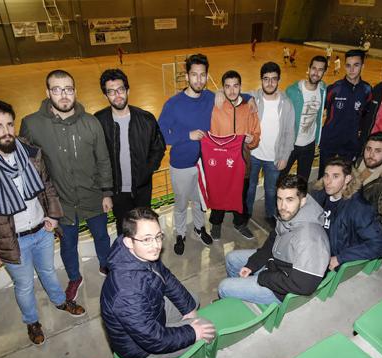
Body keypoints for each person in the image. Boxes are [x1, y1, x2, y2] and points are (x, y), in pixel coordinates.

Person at [0, 99, 86, 345]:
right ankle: (32, 321)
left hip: (41, 230)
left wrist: (52, 215)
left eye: (9, 124)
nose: (6, 132)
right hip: (11, 241)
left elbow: (46, 186)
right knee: (24, 286)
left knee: (48, 271)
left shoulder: (28, 151)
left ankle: (60, 301)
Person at [20, 69, 113, 299]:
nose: (63, 95)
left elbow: (103, 160)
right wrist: (42, 205)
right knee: (68, 244)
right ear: (47, 92)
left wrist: (107, 192)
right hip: (60, 202)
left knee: (102, 236)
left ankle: (106, 265)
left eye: (68, 90)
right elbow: (27, 168)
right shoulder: (31, 124)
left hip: (92, 196)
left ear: (75, 91)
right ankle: (74, 277)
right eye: (57, 90)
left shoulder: (91, 123)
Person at [100, 207, 216, 358]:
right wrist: (192, 333)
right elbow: (153, 339)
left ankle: (176, 325)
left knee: (192, 301)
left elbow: (166, 278)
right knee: (206, 328)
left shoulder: (139, 254)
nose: (156, 245)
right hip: (143, 351)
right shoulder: (125, 292)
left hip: (152, 314)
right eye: (147, 239)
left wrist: (188, 309)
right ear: (129, 241)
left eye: (158, 236)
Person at [218, 174, 330, 305]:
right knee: (232, 258)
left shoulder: (310, 238)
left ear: (303, 201)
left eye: (289, 200)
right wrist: (252, 265)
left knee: (224, 287)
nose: (282, 206)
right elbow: (273, 241)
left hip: (282, 290)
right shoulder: (290, 214)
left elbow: (304, 285)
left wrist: (264, 278)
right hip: (276, 265)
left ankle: (235, 296)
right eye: (279, 199)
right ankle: (239, 297)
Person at [94, 69, 166, 235]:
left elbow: (158, 147)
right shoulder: (98, 121)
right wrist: (105, 192)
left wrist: (147, 170)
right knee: (124, 230)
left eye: (120, 89)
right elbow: (95, 158)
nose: (117, 95)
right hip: (117, 192)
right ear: (105, 95)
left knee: (144, 228)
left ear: (128, 90)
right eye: (111, 92)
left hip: (142, 188)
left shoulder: (146, 118)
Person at [158, 54, 215, 255]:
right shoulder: (173, 104)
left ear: (207, 76)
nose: (198, 80)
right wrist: (187, 135)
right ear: (187, 76)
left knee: (200, 201)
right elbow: (161, 134)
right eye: (194, 75)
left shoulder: (211, 97)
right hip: (181, 164)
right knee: (181, 203)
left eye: (202, 75)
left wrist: (250, 100)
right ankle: (180, 233)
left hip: (205, 164)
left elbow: (236, 96)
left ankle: (200, 229)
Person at [207, 70, 260, 240]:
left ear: (240, 87)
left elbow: (256, 134)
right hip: (221, 161)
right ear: (222, 88)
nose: (232, 90)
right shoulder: (217, 107)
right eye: (227, 87)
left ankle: (240, 223)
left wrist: (252, 140)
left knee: (241, 195)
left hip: (242, 160)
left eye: (235, 86)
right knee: (219, 193)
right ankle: (216, 224)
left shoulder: (249, 107)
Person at [312, 157, 382, 271]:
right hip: (315, 245)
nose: (328, 181)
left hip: (330, 256)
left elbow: (379, 245)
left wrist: (339, 258)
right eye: (326, 175)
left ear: (347, 179)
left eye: (335, 176)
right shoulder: (320, 195)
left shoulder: (359, 209)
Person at [247, 62, 295, 228]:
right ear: (261, 80)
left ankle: (270, 214)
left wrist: (285, 157)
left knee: (270, 191)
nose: (269, 83)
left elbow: (290, 133)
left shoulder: (286, 104)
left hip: (274, 158)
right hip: (253, 155)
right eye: (266, 79)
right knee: (250, 189)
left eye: (273, 79)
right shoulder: (253, 97)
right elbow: (231, 92)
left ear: (278, 81)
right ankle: (246, 214)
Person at [318, 49, 372, 179]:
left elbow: (367, 116)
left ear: (362, 66)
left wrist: (360, 139)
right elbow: (319, 111)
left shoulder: (367, 90)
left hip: (351, 144)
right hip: (330, 141)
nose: (351, 69)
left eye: (356, 65)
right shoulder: (334, 88)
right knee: (324, 178)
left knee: (344, 178)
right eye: (348, 65)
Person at [284, 55, 328, 184]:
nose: (316, 72)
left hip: (309, 145)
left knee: (303, 181)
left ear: (324, 72)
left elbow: (320, 115)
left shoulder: (323, 90)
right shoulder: (292, 91)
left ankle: (299, 203)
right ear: (308, 69)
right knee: (281, 177)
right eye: (314, 68)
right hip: (291, 144)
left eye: (320, 70)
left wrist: (317, 140)